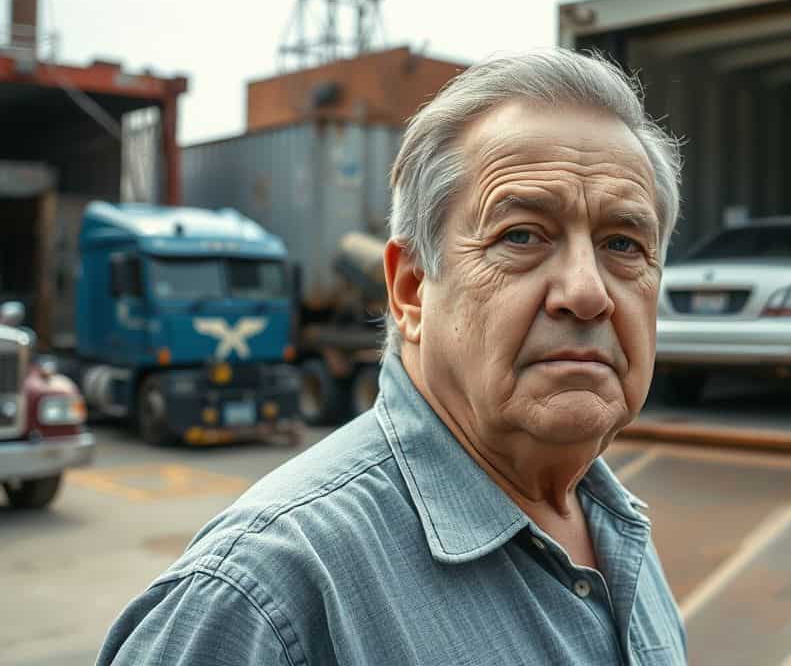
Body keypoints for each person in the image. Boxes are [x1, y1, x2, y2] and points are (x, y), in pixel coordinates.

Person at [98, 48, 687, 665]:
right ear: (410, 290)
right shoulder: (263, 596)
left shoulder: (618, 531)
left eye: (624, 244)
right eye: (521, 236)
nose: (588, 293)